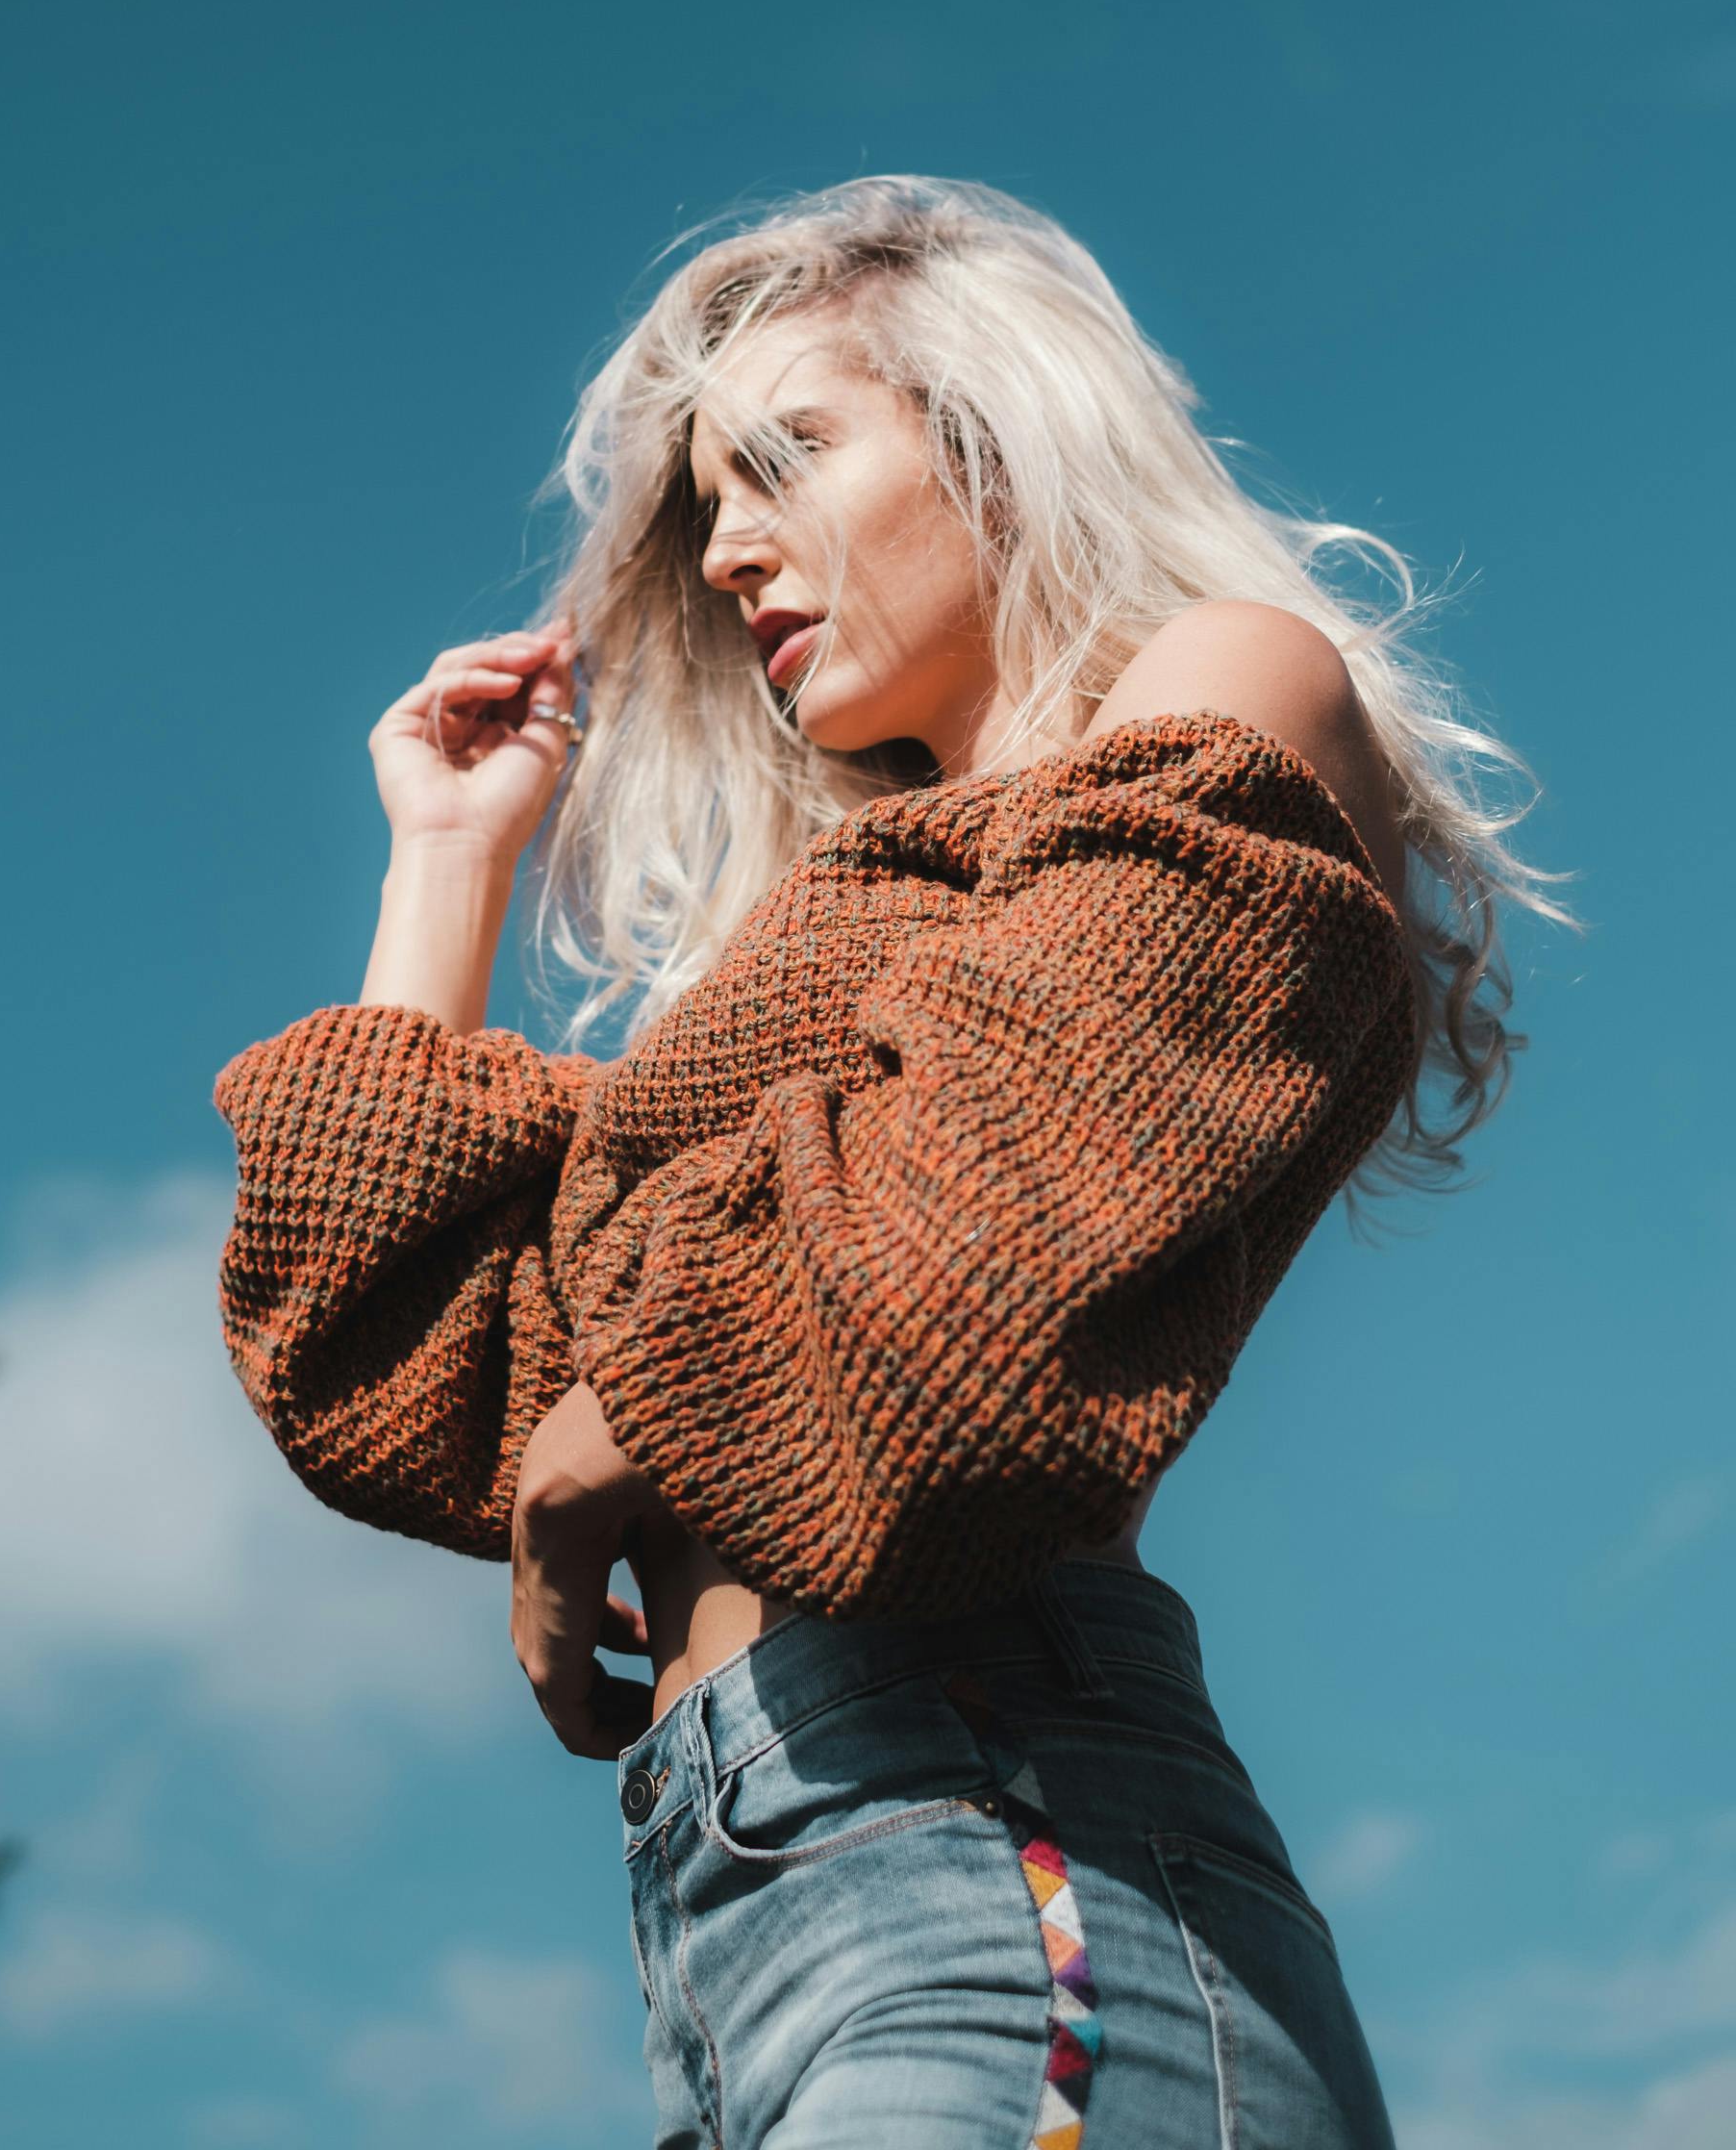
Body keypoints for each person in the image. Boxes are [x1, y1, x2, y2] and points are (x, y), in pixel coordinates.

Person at [214, 174, 1574, 2148]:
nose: (732, 554)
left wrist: (634, 1415)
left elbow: (940, 1321)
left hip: (998, 1840)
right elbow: (413, 1378)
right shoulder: (825, 967)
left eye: (782, 459)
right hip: (743, 1920)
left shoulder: (1227, 685)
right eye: (701, 513)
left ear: (994, 433)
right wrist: (447, 861)